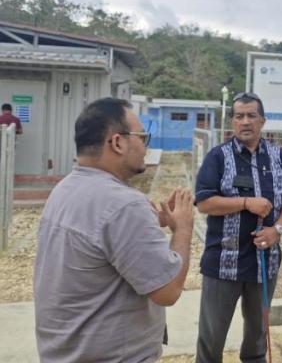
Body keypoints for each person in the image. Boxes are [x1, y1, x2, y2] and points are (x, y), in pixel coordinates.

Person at [34, 97, 194, 362]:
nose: (145, 147)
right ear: (118, 142)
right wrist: (184, 228)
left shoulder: (65, 189)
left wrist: (148, 226)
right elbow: (168, 291)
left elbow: (99, 247)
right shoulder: (124, 205)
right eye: (143, 137)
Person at [194, 92, 282, 363]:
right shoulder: (217, 157)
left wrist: (276, 230)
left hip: (264, 263)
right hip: (223, 263)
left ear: (262, 121)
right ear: (232, 122)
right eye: (239, 116)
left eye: (251, 116)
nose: (245, 121)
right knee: (212, 340)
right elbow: (204, 203)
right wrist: (245, 202)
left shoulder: (279, 157)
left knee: (257, 339)